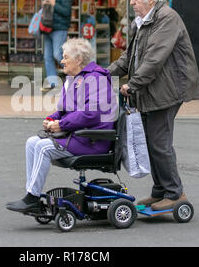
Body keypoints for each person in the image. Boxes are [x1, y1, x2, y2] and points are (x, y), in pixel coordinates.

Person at [107, 0, 199, 211]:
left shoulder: (167, 18)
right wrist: (99, 73)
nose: (131, 3)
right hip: (151, 90)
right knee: (151, 143)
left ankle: (175, 194)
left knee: (159, 143)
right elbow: (128, 59)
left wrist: (133, 84)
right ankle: (160, 191)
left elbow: (155, 59)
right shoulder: (142, 22)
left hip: (167, 90)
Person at [6, 38, 117, 212]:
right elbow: (64, 110)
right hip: (80, 135)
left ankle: (32, 198)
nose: (62, 61)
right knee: (31, 143)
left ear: (79, 59)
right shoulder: (74, 79)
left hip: (93, 139)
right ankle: (31, 194)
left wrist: (62, 125)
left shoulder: (96, 79)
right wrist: (51, 120)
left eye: (66, 57)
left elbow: (90, 113)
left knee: (43, 147)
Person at [41, 0, 72, 91]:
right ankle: (53, 83)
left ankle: (76, 74)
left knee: (57, 54)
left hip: (59, 28)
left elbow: (67, 12)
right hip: (47, 28)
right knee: (47, 56)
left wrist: (55, 4)